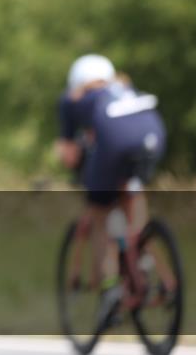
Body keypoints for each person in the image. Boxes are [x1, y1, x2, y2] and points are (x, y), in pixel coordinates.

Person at [55, 54, 167, 319]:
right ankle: (141, 256)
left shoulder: (74, 99)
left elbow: (69, 154)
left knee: (100, 213)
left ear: (78, 81)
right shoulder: (126, 88)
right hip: (154, 137)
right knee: (133, 193)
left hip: (115, 145)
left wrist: (74, 168)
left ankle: (109, 286)